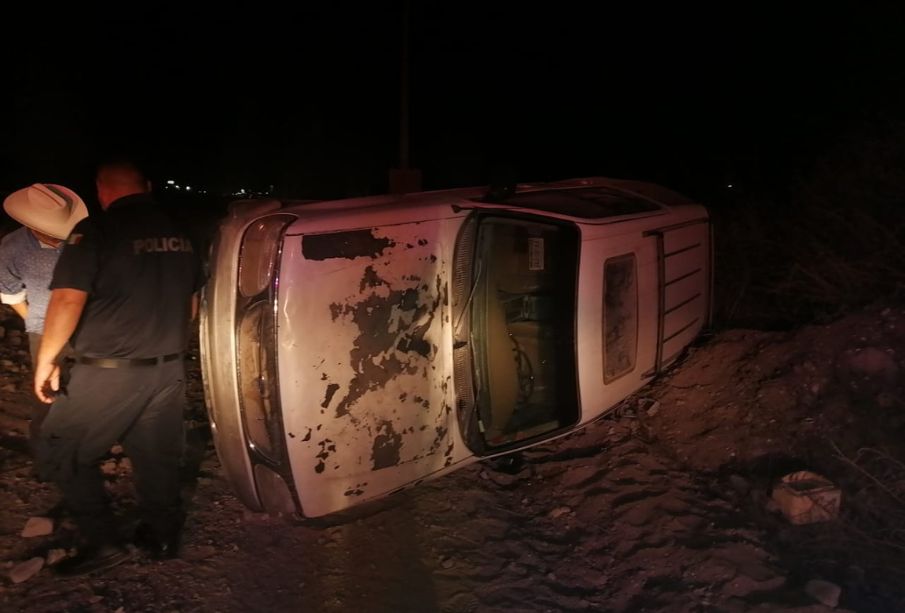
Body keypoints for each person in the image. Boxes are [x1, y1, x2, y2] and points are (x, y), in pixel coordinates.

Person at [34, 160, 203, 575]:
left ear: (101, 190)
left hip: (110, 371)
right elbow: (192, 304)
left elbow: (68, 299)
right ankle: (163, 538)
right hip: (167, 369)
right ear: (147, 186)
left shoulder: (97, 231)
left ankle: (104, 543)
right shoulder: (182, 232)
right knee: (157, 458)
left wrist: (47, 360)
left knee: (62, 450)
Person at [0, 183, 88, 446]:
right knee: (47, 393)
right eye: (52, 233)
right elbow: (8, 291)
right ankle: (45, 451)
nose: (59, 236)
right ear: (32, 224)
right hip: (45, 329)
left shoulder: (84, 238)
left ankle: (83, 443)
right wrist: (35, 320)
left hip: (89, 324)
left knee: (89, 387)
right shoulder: (12, 248)